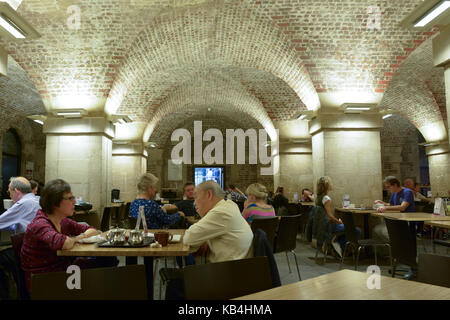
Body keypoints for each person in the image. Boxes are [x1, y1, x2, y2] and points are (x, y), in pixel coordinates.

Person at [20, 179, 118, 292]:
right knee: (105, 266)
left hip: (62, 270)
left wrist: (76, 238)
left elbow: (92, 230)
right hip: (44, 281)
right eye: (70, 198)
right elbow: (63, 243)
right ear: (54, 202)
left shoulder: (63, 221)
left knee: (107, 260)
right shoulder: (39, 223)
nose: (74, 201)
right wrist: (79, 238)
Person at [166, 181, 253, 300]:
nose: (194, 203)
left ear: (209, 195)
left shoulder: (220, 212)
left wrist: (201, 241)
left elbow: (188, 238)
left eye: (196, 197)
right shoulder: (229, 205)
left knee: (174, 282)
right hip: (238, 270)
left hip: (228, 277)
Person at [0, 177, 41, 299]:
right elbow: (21, 223)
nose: (10, 195)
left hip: (28, 252)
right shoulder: (36, 200)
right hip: (38, 249)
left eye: (9, 192)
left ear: (16, 191)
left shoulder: (22, 204)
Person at [315, 176, 360, 258]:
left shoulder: (318, 197)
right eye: (331, 183)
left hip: (322, 226)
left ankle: (336, 244)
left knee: (347, 230)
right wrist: (338, 221)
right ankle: (341, 247)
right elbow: (329, 215)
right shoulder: (326, 198)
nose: (332, 184)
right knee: (356, 230)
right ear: (327, 185)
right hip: (329, 227)